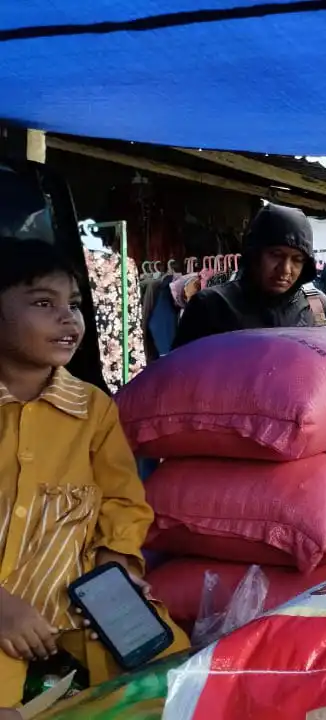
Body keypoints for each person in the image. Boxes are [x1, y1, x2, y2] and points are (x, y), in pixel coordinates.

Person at [0, 240, 189, 707]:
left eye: (75, 305)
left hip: (82, 606)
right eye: (44, 303)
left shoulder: (92, 410)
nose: (69, 318)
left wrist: (117, 565)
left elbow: (122, 499)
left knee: (174, 680)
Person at [173, 203, 326, 348]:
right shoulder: (211, 306)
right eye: (276, 255)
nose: (286, 269)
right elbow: (180, 375)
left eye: (297, 260)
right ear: (255, 254)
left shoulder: (317, 307)